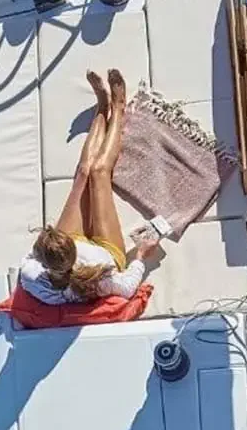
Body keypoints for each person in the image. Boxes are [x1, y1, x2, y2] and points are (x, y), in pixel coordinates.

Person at [17, 68, 163, 304]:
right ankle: (117, 108)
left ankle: (101, 107)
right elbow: (126, 288)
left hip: (75, 244)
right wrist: (141, 255)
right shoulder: (93, 278)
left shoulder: (30, 274)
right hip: (105, 251)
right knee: (99, 172)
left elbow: (33, 257)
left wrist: (78, 186)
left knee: (84, 172)